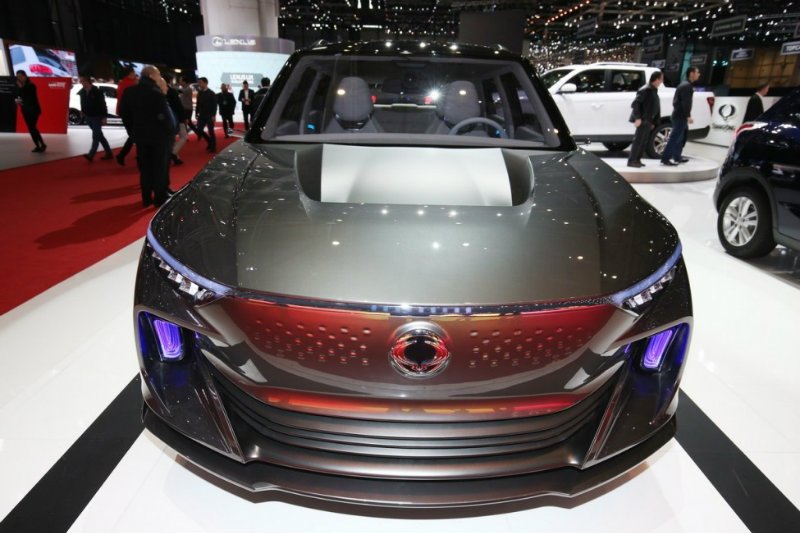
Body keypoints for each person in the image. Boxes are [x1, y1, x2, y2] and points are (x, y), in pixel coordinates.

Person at [119, 65, 176, 208]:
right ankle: (160, 198)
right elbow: (166, 118)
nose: (159, 77)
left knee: (145, 168)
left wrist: (133, 131)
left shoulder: (129, 92)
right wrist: (171, 131)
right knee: (160, 167)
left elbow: (124, 114)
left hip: (141, 137)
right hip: (160, 137)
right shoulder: (156, 93)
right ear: (151, 76)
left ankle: (146, 198)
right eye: (158, 74)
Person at [661, 66, 700, 166]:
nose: (699, 74)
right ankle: (665, 158)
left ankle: (677, 157)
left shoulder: (685, 84)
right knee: (675, 138)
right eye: (697, 72)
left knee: (679, 138)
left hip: (678, 115)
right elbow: (685, 103)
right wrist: (688, 116)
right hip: (680, 116)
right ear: (691, 73)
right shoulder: (687, 86)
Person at [628, 71, 663, 168]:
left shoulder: (653, 90)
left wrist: (654, 121)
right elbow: (635, 104)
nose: (661, 82)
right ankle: (632, 160)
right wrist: (638, 118)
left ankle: (637, 159)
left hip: (649, 120)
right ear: (656, 79)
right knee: (638, 141)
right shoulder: (645, 90)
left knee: (643, 141)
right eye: (661, 79)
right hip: (643, 119)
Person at [77, 75, 113, 162]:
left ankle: (91, 155)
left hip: (97, 116)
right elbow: (82, 103)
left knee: (96, 136)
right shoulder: (82, 92)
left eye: (83, 81)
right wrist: (82, 111)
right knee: (100, 136)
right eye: (81, 81)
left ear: (88, 81)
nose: (82, 83)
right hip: (88, 116)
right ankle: (109, 153)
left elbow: (103, 104)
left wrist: (104, 117)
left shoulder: (97, 92)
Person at [15, 70, 46, 153]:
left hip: (33, 110)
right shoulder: (21, 86)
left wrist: (21, 88)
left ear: (25, 76)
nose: (19, 78)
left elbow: (30, 97)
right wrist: (17, 100)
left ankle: (41, 145)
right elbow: (18, 96)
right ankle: (39, 145)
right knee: (31, 128)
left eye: (20, 76)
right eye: (18, 77)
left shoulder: (31, 85)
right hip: (25, 110)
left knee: (32, 127)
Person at [115, 67, 139, 165]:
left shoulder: (122, 83)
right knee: (134, 135)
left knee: (134, 135)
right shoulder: (131, 84)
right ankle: (122, 155)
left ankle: (125, 155)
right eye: (134, 72)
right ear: (131, 73)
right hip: (131, 113)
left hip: (125, 113)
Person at [163, 73, 187, 165]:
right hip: (176, 117)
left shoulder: (159, 91)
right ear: (170, 80)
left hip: (166, 118)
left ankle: (176, 158)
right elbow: (178, 105)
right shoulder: (171, 91)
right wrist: (184, 117)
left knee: (171, 139)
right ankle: (172, 154)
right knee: (183, 137)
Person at [195, 77, 217, 153]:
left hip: (209, 115)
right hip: (201, 115)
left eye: (200, 82)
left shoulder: (211, 93)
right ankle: (210, 142)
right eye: (199, 82)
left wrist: (213, 115)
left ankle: (213, 147)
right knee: (199, 129)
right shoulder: (200, 93)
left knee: (211, 131)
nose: (199, 84)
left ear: (205, 83)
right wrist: (196, 113)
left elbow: (214, 105)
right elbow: (198, 104)